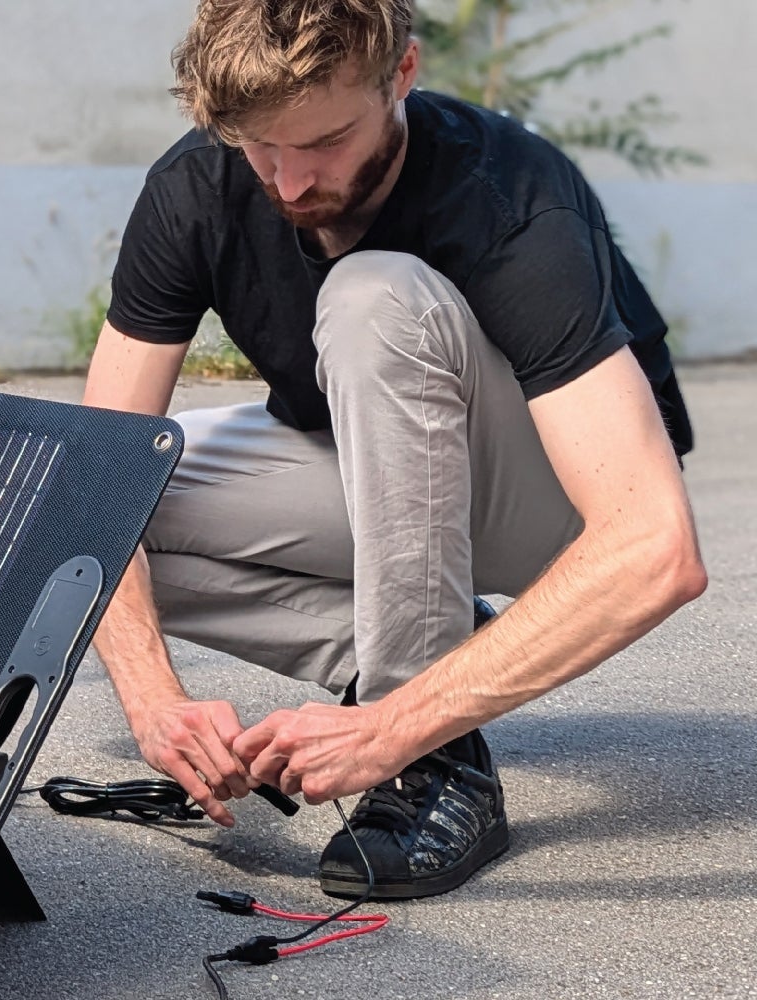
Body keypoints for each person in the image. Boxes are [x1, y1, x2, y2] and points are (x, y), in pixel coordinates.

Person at [82, 0, 707, 899]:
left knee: (373, 296)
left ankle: (431, 753)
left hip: (549, 506)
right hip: (373, 474)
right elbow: (94, 482)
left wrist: (389, 730)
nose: (290, 184)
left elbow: (654, 547)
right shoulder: (195, 186)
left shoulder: (507, 197)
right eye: (262, 147)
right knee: (51, 507)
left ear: (402, 76)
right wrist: (154, 700)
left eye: (326, 141)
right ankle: (443, 651)